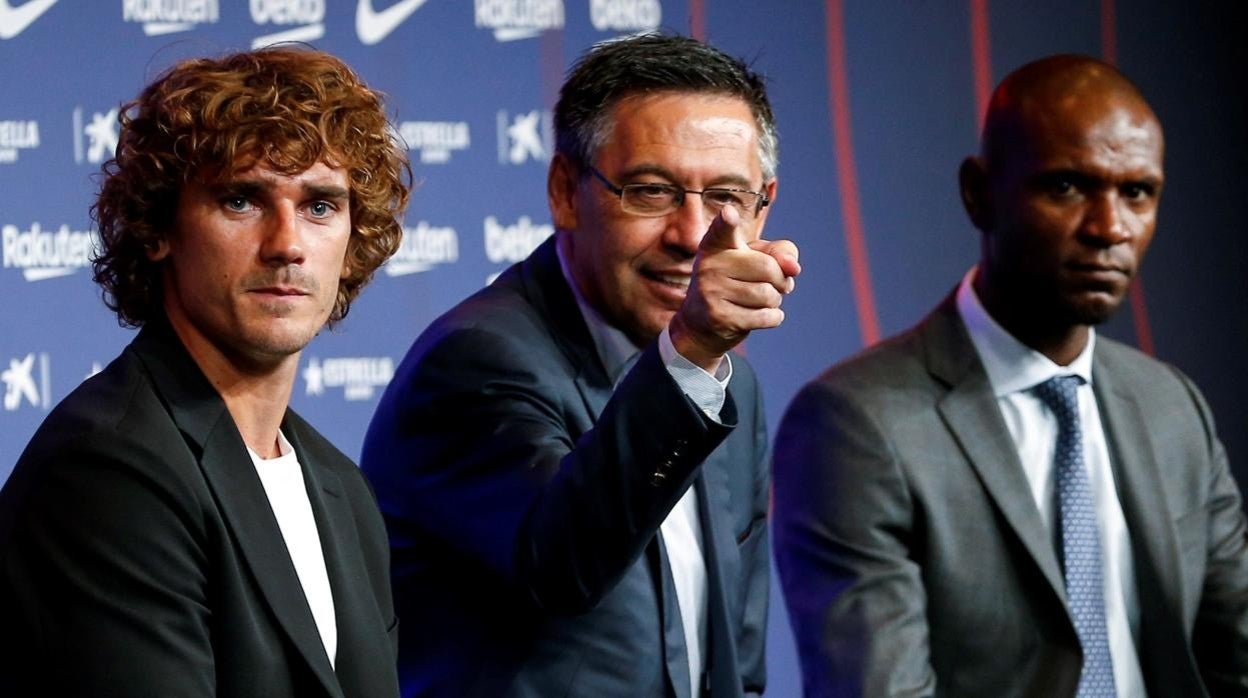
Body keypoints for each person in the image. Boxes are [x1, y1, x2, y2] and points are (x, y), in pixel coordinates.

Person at [773, 53, 1248, 697]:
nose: (1109, 228)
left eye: (1137, 192)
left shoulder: (1173, 407)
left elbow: (1234, 653)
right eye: (1066, 187)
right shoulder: (856, 423)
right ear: (978, 194)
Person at [361, 33, 799, 698]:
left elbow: (736, 659)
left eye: (726, 197)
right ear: (567, 191)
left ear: (764, 204)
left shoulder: (723, 380)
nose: (690, 235)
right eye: (651, 191)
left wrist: (693, 358)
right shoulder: (478, 361)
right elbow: (563, 563)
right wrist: (690, 353)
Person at [0, 47, 411, 697]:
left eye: (320, 206)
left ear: (354, 240)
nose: (287, 244)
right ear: (160, 227)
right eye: (243, 200)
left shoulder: (342, 489)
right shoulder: (110, 468)